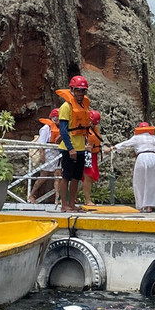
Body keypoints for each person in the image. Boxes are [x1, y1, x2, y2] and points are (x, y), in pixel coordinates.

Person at [55, 76, 92, 212]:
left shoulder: (83, 106)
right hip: (68, 148)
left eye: (83, 91)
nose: (80, 94)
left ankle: (72, 204)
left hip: (81, 147)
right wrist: (70, 148)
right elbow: (63, 130)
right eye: (78, 91)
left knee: (76, 177)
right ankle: (64, 205)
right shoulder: (66, 107)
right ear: (71, 90)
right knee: (66, 176)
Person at [112, 121, 155, 212]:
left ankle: (140, 206)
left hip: (142, 157)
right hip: (153, 157)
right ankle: (149, 207)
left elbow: (125, 143)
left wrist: (114, 147)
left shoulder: (136, 137)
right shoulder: (153, 137)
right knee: (152, 182)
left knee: (139, 181)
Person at [29, 108, 63, 208]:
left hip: (57, 153)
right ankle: (31, 195)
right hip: (48, 153)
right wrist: (42, 155)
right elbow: (42, 143)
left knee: (58, 175)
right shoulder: (46, 128)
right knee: (43, 175)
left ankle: (57, 198)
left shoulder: (60, 128)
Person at [81, 109, 103, 206]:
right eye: (93, 122)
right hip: (87, 154)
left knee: (92, 178)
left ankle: (73, 194)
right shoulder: (84, 129)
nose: (94, 125)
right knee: (88, 177)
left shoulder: (94, 129)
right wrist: (84, 147)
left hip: (94, 155)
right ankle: (88, 200)